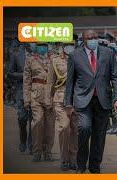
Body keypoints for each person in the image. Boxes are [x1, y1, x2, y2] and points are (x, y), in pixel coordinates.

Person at [64, 29, 117, 174]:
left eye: (95, 37)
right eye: (90, 38)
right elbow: (70, 82)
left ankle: (95, 166)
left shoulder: (108, 53)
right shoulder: (74, 55)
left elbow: (116, 77)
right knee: (84, 128)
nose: (93, 40)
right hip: (82, 100)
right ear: (83, 40)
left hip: (102, 100)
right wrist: (68, 103)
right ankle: (81, 164)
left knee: (99, 134)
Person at [23, 42, 55, 162]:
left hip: (50, 94)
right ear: (36, 46)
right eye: (40, 45)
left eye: (44, 45)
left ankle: (48, 151)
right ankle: (37, 151)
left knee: (50, 124)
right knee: (37, 122)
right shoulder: (30, 59)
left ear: (47, 46)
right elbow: (26, 80)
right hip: (36, 94)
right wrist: (26, 99)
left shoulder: (53, 58)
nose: (42, 47)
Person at [51, 41, 78, 171]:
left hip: (76, 99)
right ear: (63, 46)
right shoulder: (55, 61)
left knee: (75, 129)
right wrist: (47, 100)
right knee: (64, 128)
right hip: (60, 98)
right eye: (68, 44)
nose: (70, 47)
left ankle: (73, 159)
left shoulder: (80, 58)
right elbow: (50, 81)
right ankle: (64, 159)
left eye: (72, 44)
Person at [9, 43, 33, 154]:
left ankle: (32, 144)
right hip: (21, 91)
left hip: (36, 92)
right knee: (22, 119)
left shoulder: (40, 54)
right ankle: (22, 140)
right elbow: (11, 73)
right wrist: (25, 75)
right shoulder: (16, 55)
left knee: (35, 120)